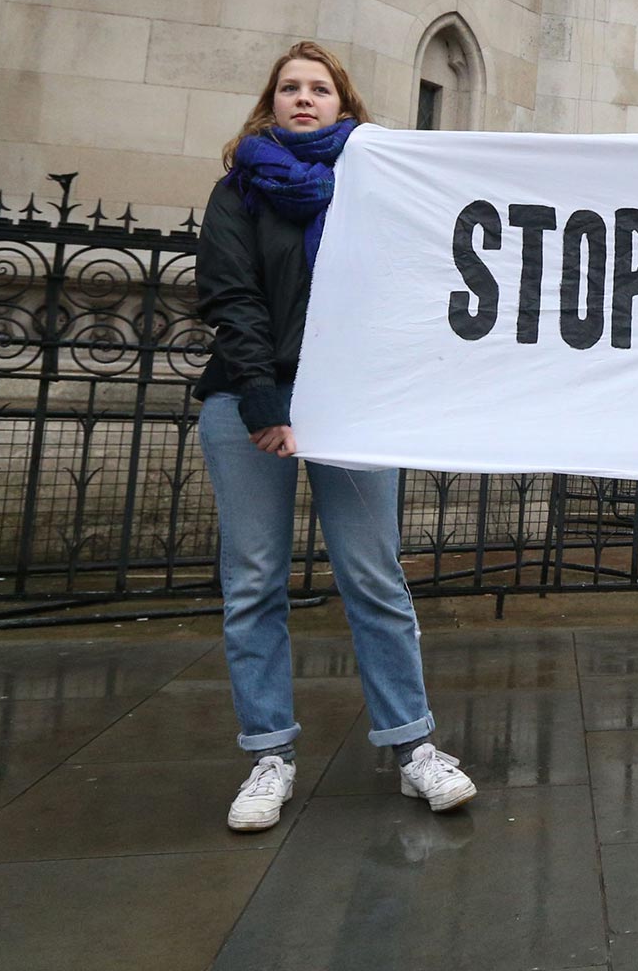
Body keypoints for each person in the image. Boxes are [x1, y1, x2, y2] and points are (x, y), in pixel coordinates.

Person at [195, 40, 475, 831]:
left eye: (320, 88)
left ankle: (414, 747)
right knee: (254, 580)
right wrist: (262, 400)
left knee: (373, 576)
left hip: (352, 402)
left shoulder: (371, 185)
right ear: (271, 101)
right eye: (290, 88)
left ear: (345, 104)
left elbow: (409, 285)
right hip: (252, 401)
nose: (304, 99)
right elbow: (231, 295)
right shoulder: (238, 191)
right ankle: (269, 756)